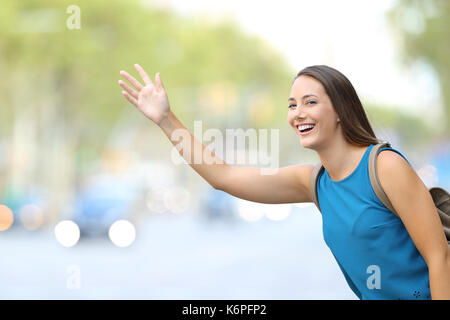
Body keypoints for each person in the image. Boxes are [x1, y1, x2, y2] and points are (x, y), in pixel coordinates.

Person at [118, 64, 450, 300]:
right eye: (292, 105)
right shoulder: (313, 182)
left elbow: (439, 257)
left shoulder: (385, 166)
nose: (297, 113)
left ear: (340, 110)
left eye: (310, 102)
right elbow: (224, 176)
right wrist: (165, 119)